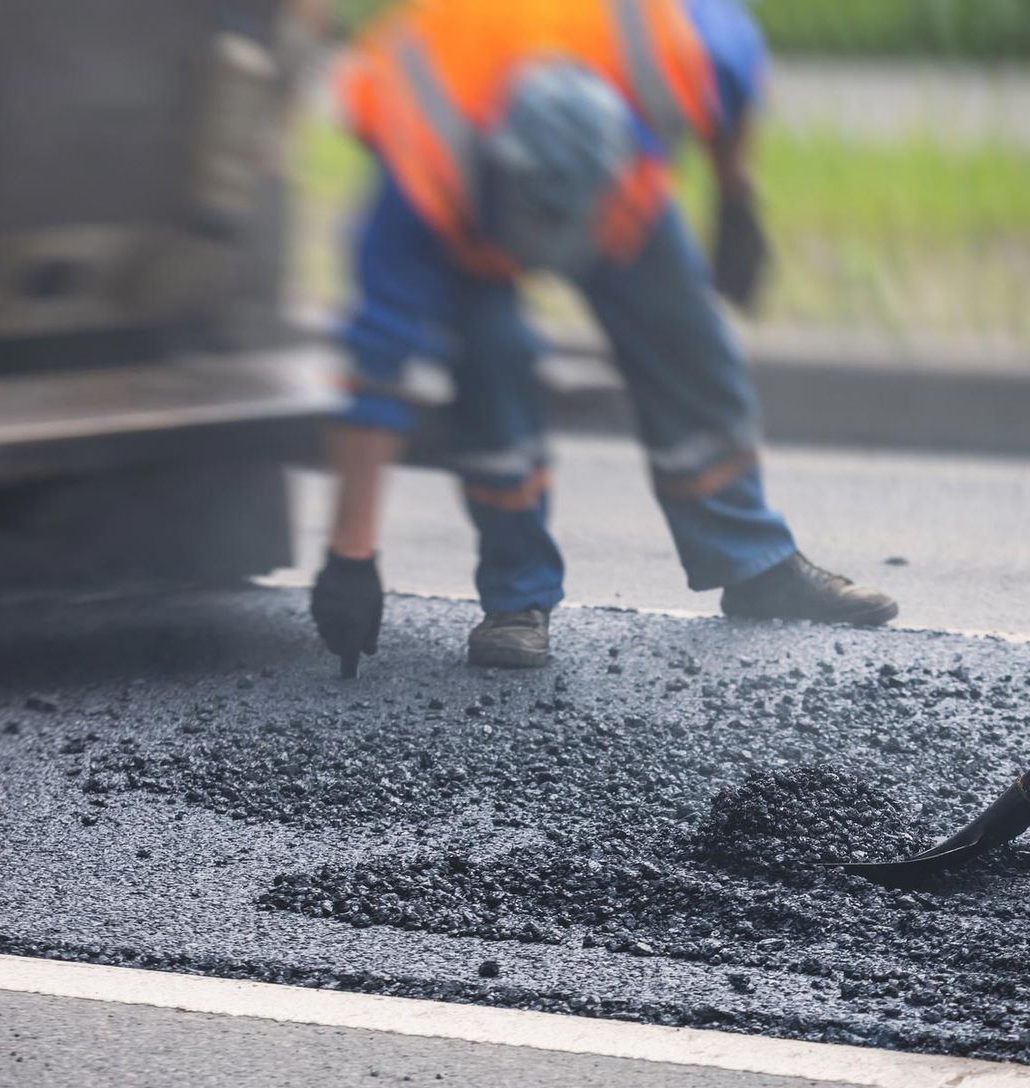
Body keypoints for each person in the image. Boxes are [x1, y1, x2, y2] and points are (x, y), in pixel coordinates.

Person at [310, 0, 898, 673]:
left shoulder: (675, 44)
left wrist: (735, 195)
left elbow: (730, 84)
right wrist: (350, 555)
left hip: (608, 176)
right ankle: (517, 598)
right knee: (493, 365)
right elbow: (379, 366)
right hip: (470, 213)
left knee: (687, 340)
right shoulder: (421, 168)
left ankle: (755, 562)